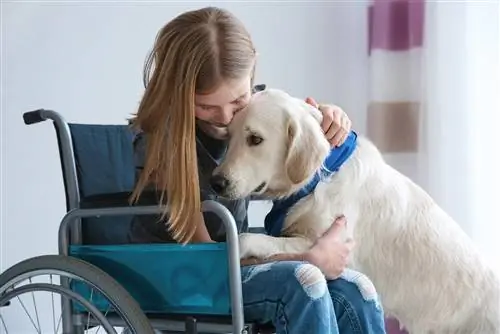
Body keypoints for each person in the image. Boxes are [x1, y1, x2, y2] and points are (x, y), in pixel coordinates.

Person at [127, 6, 386, 334]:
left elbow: (284, 133)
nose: (224, 118)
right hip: (185, 278)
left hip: (232, 265)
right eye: (206, 106)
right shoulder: (165, 147)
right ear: (178, 92)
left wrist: (326, 116)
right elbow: (206, 261)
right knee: (304, 279)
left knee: (355, 289)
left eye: (237, 102)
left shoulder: (241, 121)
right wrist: (309, 257)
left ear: (250, 82)